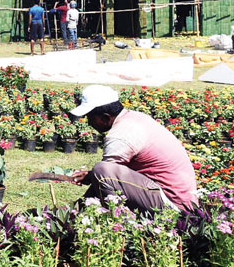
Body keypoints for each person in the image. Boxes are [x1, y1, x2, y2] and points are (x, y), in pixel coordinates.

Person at [69, 84, 199, 213]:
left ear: (106, 117)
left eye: (90, 117)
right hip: (181, 198)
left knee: (102, 170)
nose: (89, 122)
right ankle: (79, 212)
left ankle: (116, 219)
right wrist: (89, 177)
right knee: (101, 173)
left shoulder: (120, 134)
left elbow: (104, 177)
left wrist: (91, 177)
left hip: (173, 204)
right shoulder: (135, 118)